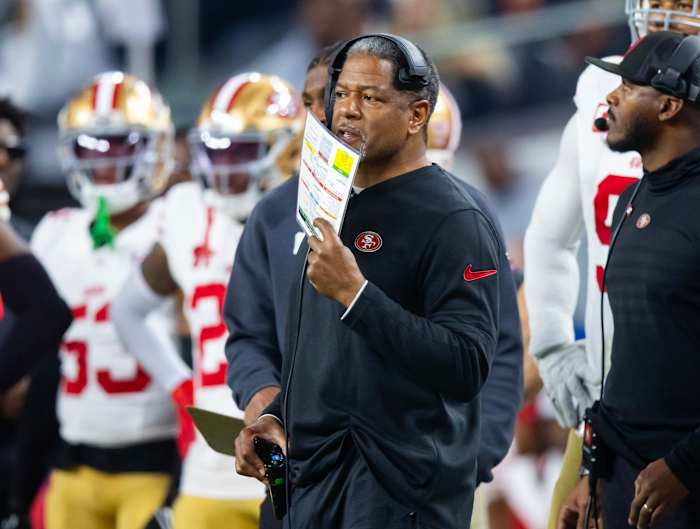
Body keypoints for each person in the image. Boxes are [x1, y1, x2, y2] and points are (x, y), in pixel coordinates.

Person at [226, 44, 523, 529]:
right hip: (309, 485)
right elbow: (324, 361)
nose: (345, 110)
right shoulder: (323, 204)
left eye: (369, 97)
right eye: (341, 94)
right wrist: (275, 419)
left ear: (417, 115)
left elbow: (468, 363)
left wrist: (357, 296)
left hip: (402, 494)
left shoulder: (458, 218)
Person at [523, 2, 700, 526]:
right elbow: (549, 236)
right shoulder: (637, 190)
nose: (665, 12)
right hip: (617, 427)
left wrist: (687, 464)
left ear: (670, 105)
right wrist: (554, 347)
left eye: (681, 3)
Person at [110, 72, 305, 529]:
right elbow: (127, 309)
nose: (225, 165)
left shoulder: (312, 215)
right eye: (216, 150)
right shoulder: (186, 210)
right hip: (209, 470)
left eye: (241, 151)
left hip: (295, 463)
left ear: (289, 150)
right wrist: (179, 385)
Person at [31, 71, 180, 529]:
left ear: (156, 148)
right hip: (71, 461)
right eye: (90, 147)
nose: (105, 160)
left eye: (120, 145)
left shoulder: (177, 223)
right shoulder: (55, 232)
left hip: (155, 458)